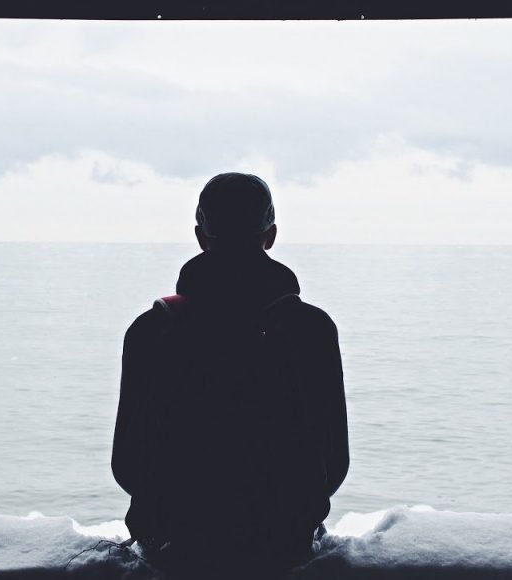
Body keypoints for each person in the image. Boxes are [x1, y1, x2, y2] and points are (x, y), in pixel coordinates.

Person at [112, 172, 349, 578]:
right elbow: (334, 462)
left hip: (173, 541)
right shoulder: (312, 329)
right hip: (282, 541)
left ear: (200, 237)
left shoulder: (152, 329)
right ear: (270, 235)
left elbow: (127, 465)